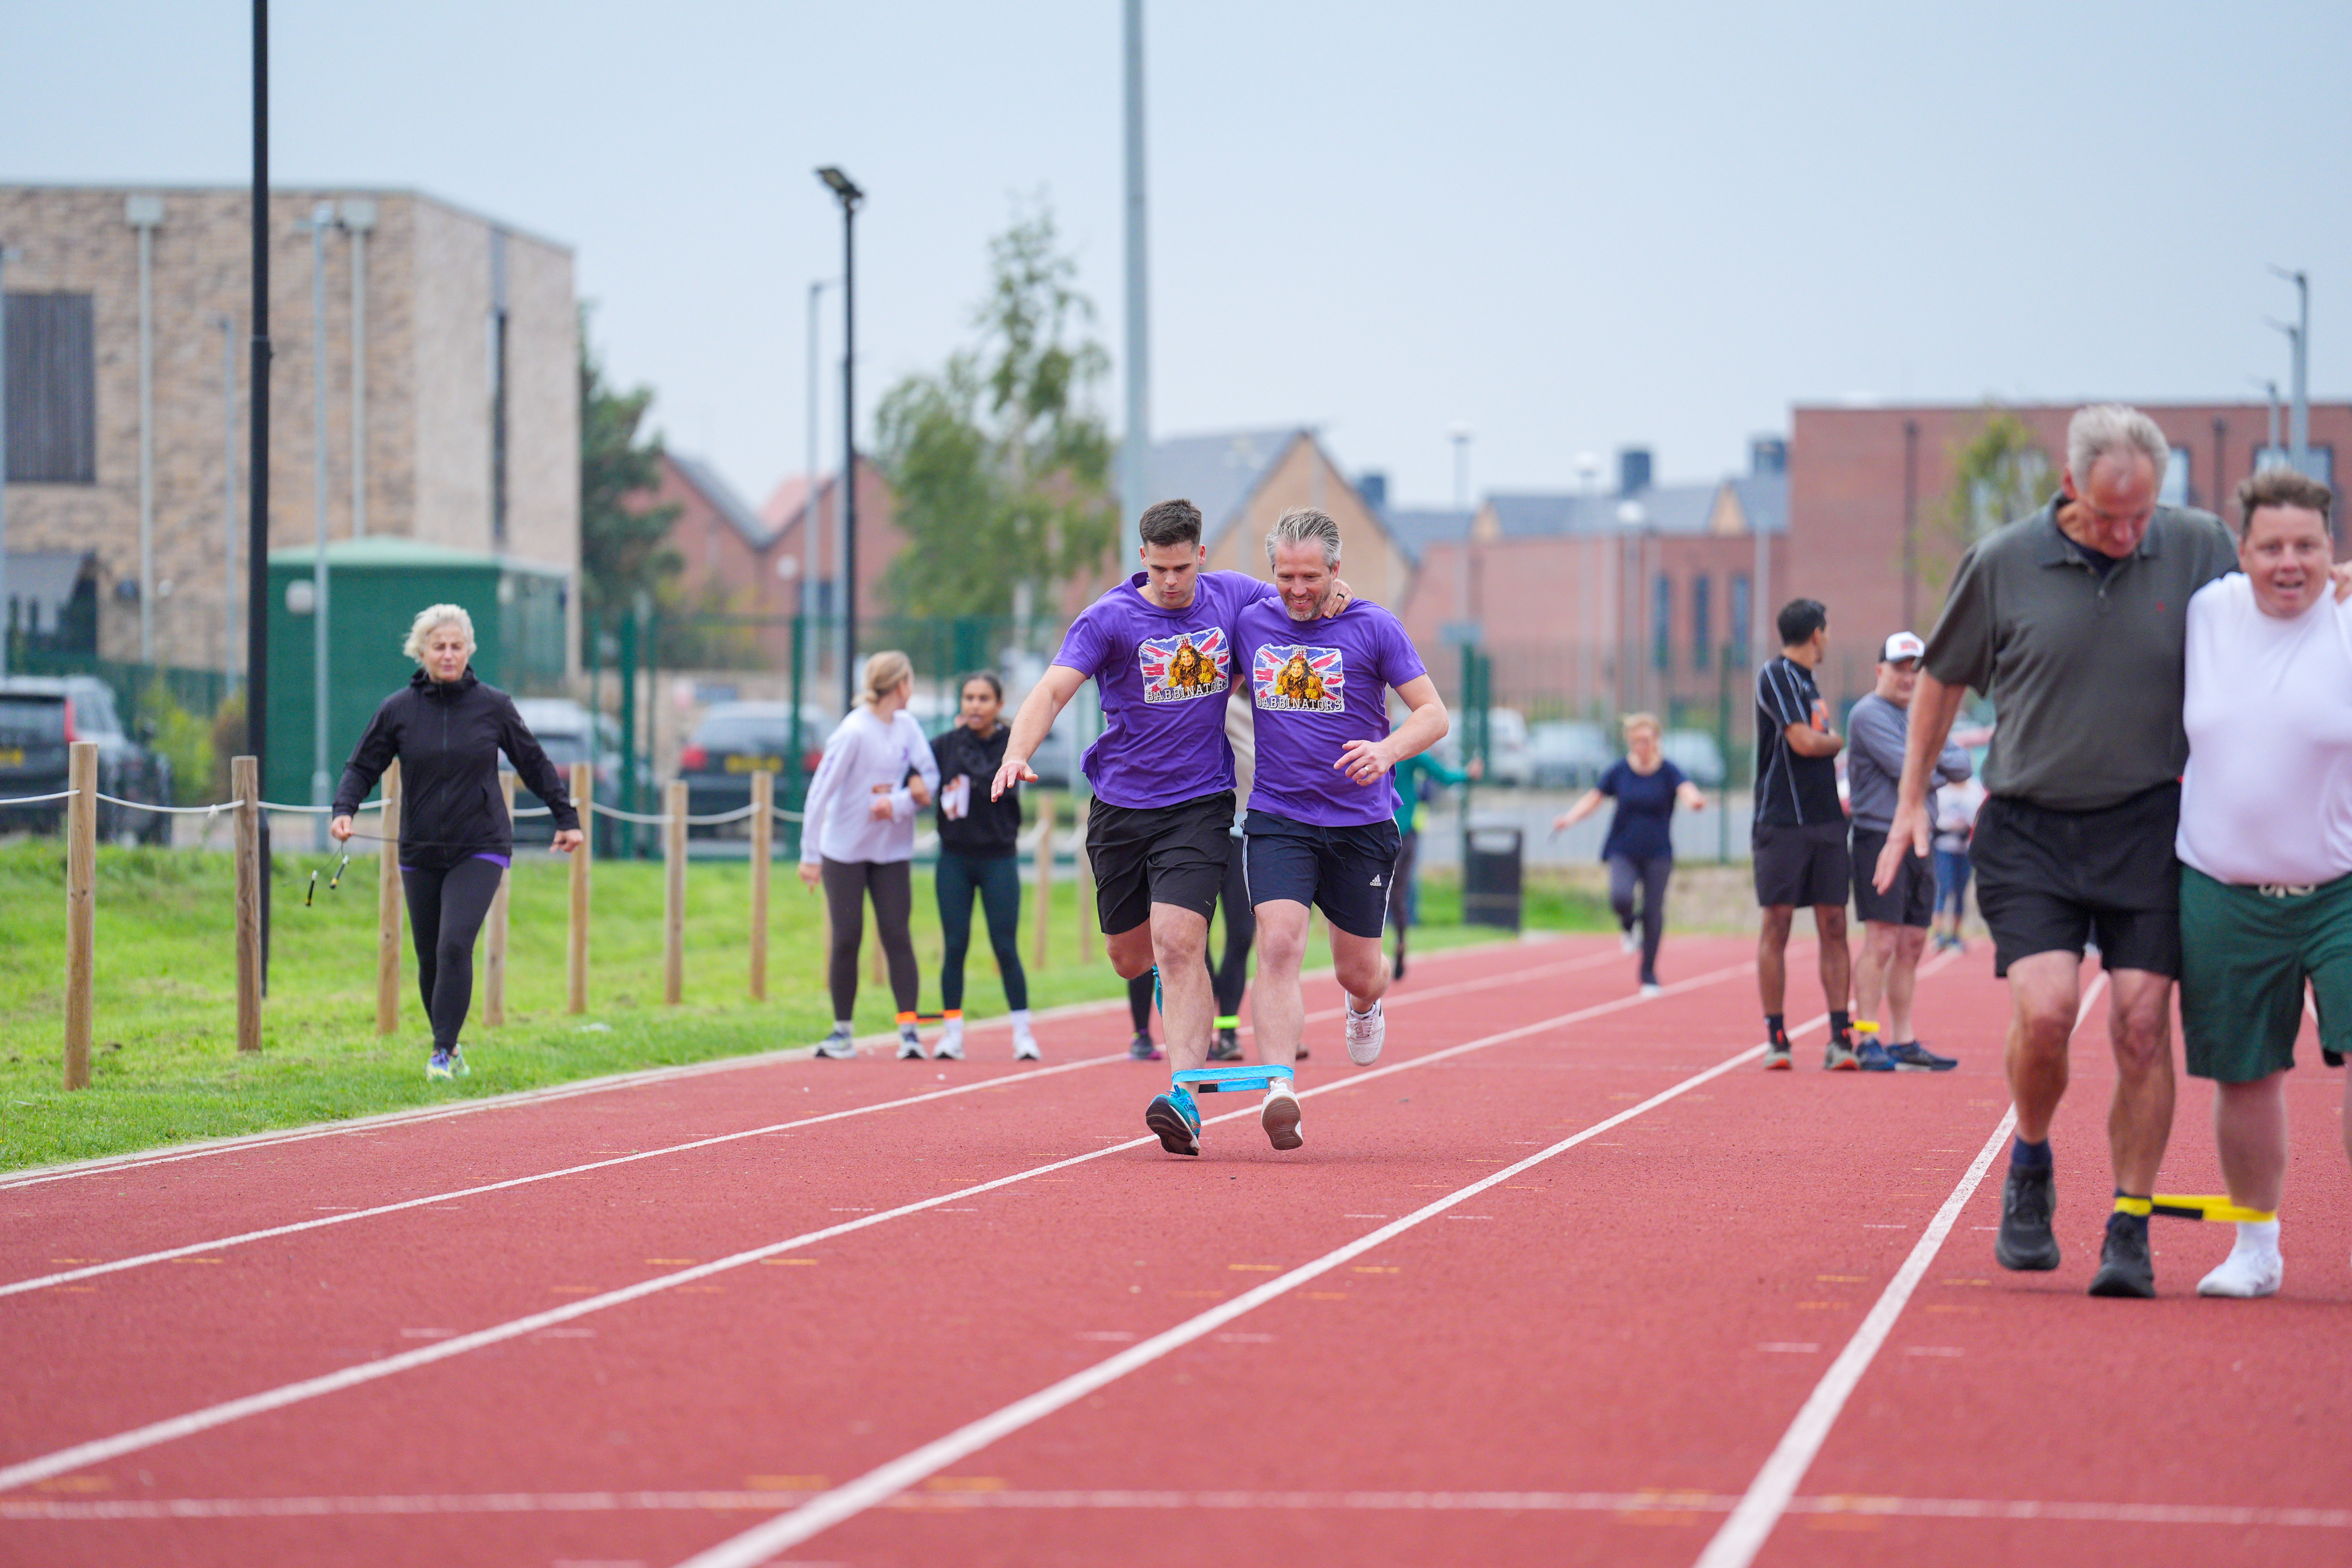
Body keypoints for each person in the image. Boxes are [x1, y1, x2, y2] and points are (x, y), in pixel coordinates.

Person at [1875, 404, 2351, 1298]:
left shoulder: (2197, 543)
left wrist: (2333, 577)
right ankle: (2032, 1155)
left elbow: (2285, 573)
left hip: (2145, 823)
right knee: (2049, 1011)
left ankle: (2130, 1221)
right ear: (2069, 487)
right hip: (2029, 823)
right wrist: (1911, 799)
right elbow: (1940, 676)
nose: (2129, 534)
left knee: (2140, 1020)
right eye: (2109, 516)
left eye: (2144, 515)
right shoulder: (2003, 561)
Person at [993, 499, 1345, 1157]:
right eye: (1160, 570)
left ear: (1201, 556)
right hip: (1121, 807)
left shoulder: (1232, 596)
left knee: (1179, 940)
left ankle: (1183, 1096)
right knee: (1132, 957)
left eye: (1182, 567)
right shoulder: (1108, 619)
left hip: (1200, 803)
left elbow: (1297, 596)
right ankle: (1169, 988)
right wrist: (1017, 753)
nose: (1173, 581)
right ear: (1143, 560)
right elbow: (1049, 693)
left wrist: (1337, 591)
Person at [2175, 467, 2352, 1298]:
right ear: (2240, 550)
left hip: (2340, 884)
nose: (2291, 563)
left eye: (2308, 546)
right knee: (2245, 1073)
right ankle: (2256, 1247)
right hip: (2224, 884)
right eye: (2272, 546)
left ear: (2332, 551)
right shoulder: (2206, 611)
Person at [1234, 507, 1449, 1151]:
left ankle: (1363, 1006)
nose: (1297, 590)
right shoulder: (1250, 621)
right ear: (1270, 571)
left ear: (1335, 570)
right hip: (1278, 816)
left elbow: (1432, 715)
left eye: (1310, 577)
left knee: (1358, 971)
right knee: (1275, 942)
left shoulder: (1374, 626)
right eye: (1284, 576)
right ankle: (1279, 1086)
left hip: (1359, 823)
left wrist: (1386, 752)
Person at [331, 604, 582, 1082]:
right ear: (422, 651)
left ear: (469, 650)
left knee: (453, 945)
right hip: (421, 849)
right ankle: (452, 1043)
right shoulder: (398, 709)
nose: (448, 654)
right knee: (429, 956)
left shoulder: (494, 706)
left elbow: (534, 763)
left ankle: (441, 1052)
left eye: (457, 646)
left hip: (480, 844)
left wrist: (565, 817)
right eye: (439, 646)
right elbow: (362, 765)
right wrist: (344, 810)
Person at [800, 651, 939, 1062]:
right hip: (844, 850)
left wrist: (898, 802)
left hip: (891, 849)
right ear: (901, 685)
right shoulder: (853, 732)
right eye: (911, 681)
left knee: (897, 934)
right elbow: (819, 792)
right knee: (847, 937)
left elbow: (929, 777)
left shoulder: (908, 727)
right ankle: (842, 1032)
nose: (912, 689)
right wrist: (810, 855)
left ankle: (909, 1032)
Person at [1845, 631, 1969, 1071]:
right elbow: (1908, 769)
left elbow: (1963, 767)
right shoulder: (1867, 714)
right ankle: (1866, 1037)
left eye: (1916, 668)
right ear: (1881, 670)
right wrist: (1927, 763)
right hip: (1879, 836)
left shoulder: (1923, 715)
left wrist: (1923, 764)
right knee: (1881, 939)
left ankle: (1902, 1040)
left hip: (1924, 838)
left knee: (1914, 941)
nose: (1908, 676)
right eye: (1900, 666)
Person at [1122, 690, 1260, 1065]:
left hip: (1250, 831)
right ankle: (1143, 1031)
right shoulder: (1217, 696)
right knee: (1175, 935)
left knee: (1243, 935)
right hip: (1197, 828)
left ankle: (1227, 1029)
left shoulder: (1270, 703)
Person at [1752, 598, 1857, 1071]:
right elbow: (1805, 742)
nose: (1830, 638)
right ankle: (1777, 1037)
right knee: (1777, 923)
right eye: (1828, 629)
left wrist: (1830, 742)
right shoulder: (1774, 675)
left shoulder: (1812, 685)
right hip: (1782, 819)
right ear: (1817, 633)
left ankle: (1841, 1037)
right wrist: (1839, 742)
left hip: (1827, 819)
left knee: (1835, 923)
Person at [1551, 711, 1705, 997]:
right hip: (1623, 848)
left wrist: (1695, 801)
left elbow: (1687, 790)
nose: (1641, 747)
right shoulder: (1619, 771)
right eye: (1635, 742)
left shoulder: (1669, 771)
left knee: (1653, 912)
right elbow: (1594, 799)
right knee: (1621, 897)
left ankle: (1648, 974)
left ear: (1656, 740)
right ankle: (1627, 925)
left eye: (1646, 741)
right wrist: (1569, 819)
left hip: (1658, 852)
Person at [929, 671, 1037, 1062]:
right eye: (969, 697)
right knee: (955, 945)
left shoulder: (1013, 745)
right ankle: (951, 1035)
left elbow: (998, 777)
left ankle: (1023, 1034)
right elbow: (915, 776)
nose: (975, 705)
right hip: (955, 858)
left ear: (998, 705)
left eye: (983, 698)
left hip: (999, 858)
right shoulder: (943, 746)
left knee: (1005, 946)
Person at [1388, 731, 1476, 980]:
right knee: (1396, 894)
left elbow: (1442, 775)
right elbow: (1444, 776)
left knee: (1387, 894)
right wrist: (1468, 774)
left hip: (1391, 832)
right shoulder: (1403, 745)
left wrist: (1466, 774)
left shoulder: (1399, 746)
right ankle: (1399, 941)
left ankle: (1396, 944)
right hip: (1401, 833)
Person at [1930, 771, 1986, 954]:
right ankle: (1938, 934)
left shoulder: (1975, 789)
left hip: (1966, 848)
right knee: (1944, 889)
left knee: (1961, 892)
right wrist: (1949, 829)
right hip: (1944, 847)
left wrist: (1969, 830)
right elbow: (1933, 818)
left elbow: (1981, 816)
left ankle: (1955, 935)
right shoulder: (1941, 789)